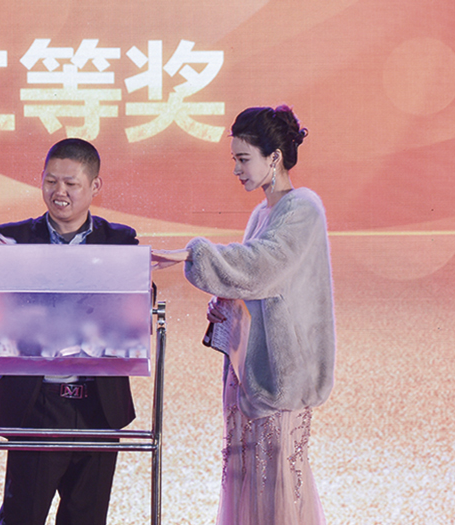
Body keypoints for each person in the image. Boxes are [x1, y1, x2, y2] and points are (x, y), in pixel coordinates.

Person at [152, 106, 336, 525]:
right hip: (251, 370)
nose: (236, 169)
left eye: (243, 158)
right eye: (234, 158)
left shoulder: (303, 208)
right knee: (249, 478)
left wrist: (194, 253)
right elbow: (253, 285)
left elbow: (261, 266)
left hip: (281, 374)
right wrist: (226, 301)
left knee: (278, 482)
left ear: (274, 157)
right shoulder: (262, 212)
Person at [0, 138, 138, 525]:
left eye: (71, 183)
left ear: (95, 186)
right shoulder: (11, 238)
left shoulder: (120, 241)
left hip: (99, 406)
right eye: (51, 181)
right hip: (36, 402)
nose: (59, 192)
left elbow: (138, 302)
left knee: (87, 518)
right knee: (22, 516)